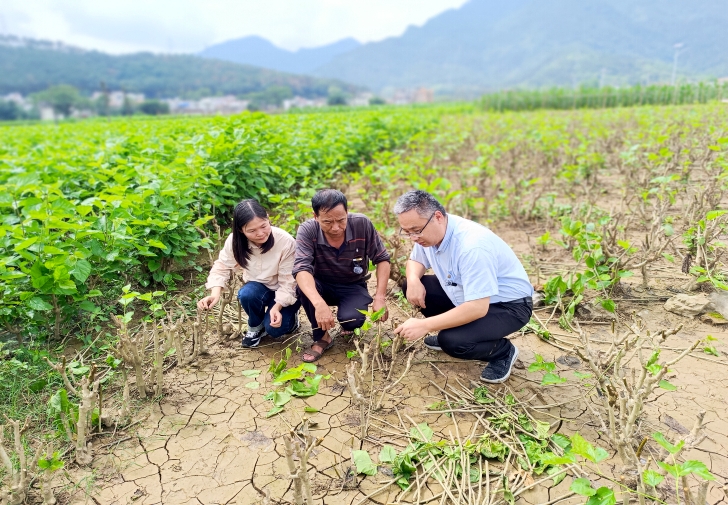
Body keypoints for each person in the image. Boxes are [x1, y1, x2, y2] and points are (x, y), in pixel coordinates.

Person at [393, 190, 533, 383]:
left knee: (452, 342)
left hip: (508, 306)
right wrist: (413, 280)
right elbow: (416, 261)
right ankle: (460, 331)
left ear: (438, 217)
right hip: (465, 293)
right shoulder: (430, 232)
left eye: (416, 230)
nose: (413, 238)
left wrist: (425, 325)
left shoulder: (472, 247)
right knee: (412, 284)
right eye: (407, 232)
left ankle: (502, 351)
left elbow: (477, 307)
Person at [293, 189, 391, 362]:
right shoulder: (308, 230)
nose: (336, 227)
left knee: (352, 321)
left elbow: (382, 259)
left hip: (353, 285)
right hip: (321, 284)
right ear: (315, 216)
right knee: (304, 289)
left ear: (347, 212)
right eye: (327, 222)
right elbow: (301, 269)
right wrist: (319, 304)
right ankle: (322, 337)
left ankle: (347, 323)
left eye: (341, 220)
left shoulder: (361, 224)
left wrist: (380, 297)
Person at [198, 199, 300, 348]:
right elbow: (222, 267)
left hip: (285, 289)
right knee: (247, 294)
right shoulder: (234, 241)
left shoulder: (285, 241)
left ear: (268, 218)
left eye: (264, 226)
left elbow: (289, 282)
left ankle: (291, 320)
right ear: (241, 230)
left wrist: (277, 307)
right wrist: (215, 294)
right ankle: (256, 326)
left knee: (276, 330)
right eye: (252, 231)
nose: (260, 233)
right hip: (260, 289)